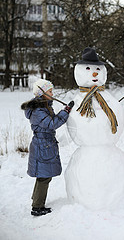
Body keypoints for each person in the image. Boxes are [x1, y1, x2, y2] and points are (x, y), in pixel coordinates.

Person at [21, 78, 74, 216]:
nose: (52, 92)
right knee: (44, 177)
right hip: (42, 145)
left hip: (44, 143)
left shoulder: (44, 106)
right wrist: (66, 112)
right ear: (42, 93)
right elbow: (52, 124)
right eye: (50, 90)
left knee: (43, 176)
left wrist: (64, 111)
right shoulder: (39, 110)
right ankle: (37, 207)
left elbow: (51, 121)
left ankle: (36, 199)